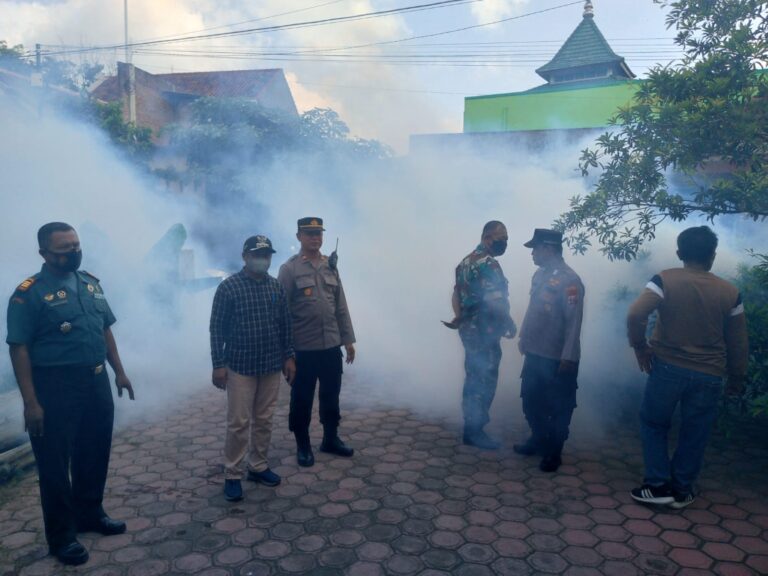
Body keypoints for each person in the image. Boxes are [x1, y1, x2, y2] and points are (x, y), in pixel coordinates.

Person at [6, 222, 134, 566]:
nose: (74, 253)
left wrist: (119, 372)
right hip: (55, 389)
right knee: (54, 466)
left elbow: (104, 327)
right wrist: (31, 402)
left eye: (76, 246)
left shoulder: (89, 283)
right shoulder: (28, 294)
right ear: (45, 254)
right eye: (65, 249)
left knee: (94, 451)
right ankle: (62, 537)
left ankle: (90, 512)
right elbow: (19, 348)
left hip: (95, 382)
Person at [627, 226, 748, 509]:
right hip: (710, 374)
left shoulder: (664, 280)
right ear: (713, 255)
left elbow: (635, 313)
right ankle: (681, 490)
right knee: (695, 431)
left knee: (654, 424)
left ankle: (657, 486)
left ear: (680, 253)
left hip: (667, 368)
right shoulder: (731, 292)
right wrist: (737, 378)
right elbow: (739, 342)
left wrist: (640, 346)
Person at [209, 235, 296, 502]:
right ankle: (232, 474)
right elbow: (216, 329)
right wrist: (218, 365)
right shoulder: (229, 288)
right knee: (238, 422)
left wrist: (289, 357)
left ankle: (258, 466)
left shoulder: (275, 287)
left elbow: (285, 325)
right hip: (239, 366)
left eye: (267, 255)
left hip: (270, 364)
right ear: (245, 256)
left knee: (265, 419)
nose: (263, 260)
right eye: (258, 255)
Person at [278, 217, 356, 467]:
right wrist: (287, 355)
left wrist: (348, 340)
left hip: (331, 346)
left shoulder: (330, 266)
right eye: (309, 233)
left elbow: (340, 306)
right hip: (303, 349)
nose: (315, 238)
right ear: (298, 236)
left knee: (331, 397)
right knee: (301, 400)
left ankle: (330, 439)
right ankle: (303, 446)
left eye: (318, 233)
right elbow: (281, 313)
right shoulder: (289, 269)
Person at [516, 228, 584, 472]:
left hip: (556, 356)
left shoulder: (570, 280)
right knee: (530, 401)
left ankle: (553, 452)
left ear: (549, 248)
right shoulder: (539, 275)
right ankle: (538, 438)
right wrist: (523, 335)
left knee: (557, 407)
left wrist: (568, 356)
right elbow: (532, 308)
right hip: (535, 351)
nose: (532, 253)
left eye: (535, 248)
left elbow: (574, 322)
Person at [446, 220, 516, 449]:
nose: (504, 243)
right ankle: (474, 431)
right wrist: (509, 323)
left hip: (468, 329)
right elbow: (496, 301)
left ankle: (471, 427)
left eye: (506, 239)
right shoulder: (489, 264)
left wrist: (459, 317)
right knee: (484, 378)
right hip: (485, 330)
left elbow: (455, 295)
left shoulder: (464, 262)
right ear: (487, 238)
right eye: (500, 238)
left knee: (473, 375)